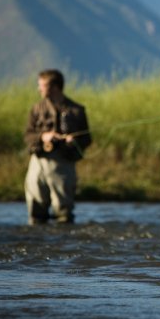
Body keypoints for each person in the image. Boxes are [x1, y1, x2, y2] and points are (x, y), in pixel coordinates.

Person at [23, 69, 91, 224]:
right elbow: (27, 136)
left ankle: (64, 243)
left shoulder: (77, 110)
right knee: (35, 211)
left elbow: (86, 139)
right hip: (38, 162)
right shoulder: (36, 109)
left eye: (42, 85)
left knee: (63, 213)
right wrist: (43, 137)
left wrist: (73, 141)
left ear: (55, 87)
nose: (39, 89)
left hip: (63, 163)